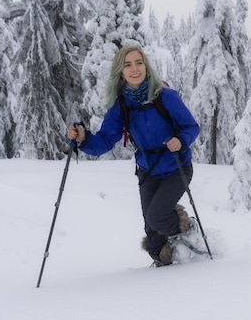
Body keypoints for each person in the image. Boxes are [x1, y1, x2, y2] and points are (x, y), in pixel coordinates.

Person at [68, 44, 200, 266]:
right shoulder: (122, 106)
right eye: (128, 64)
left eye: (139, 62)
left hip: (176, 167)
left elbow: (191, 127)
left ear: (146, 67)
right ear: (121, 71)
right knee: (154, 242)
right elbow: (106, 140)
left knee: (156, 217)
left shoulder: (164, 96)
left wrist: (180, 140)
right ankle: (166, 271)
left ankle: (187, 226)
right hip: (148, 171)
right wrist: (83, 139)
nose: (134, 68)